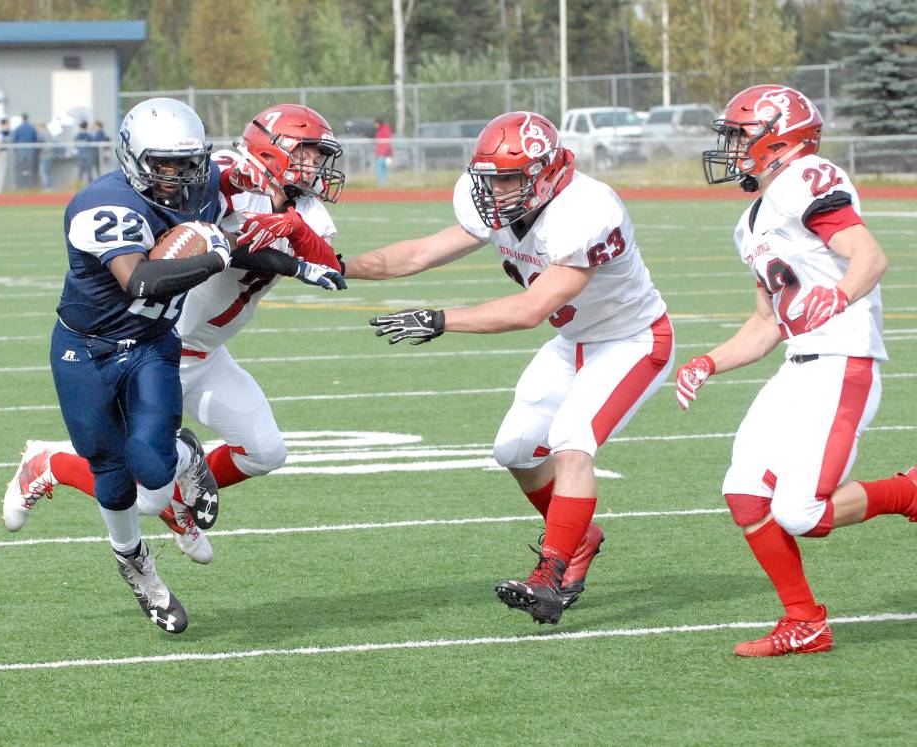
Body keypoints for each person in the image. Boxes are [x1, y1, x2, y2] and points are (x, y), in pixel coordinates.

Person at [357, 111, 673, 625]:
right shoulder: (501, 200)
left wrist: (441, 319)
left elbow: (530, 310)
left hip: (631, 340)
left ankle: (550, 576)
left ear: (546, 172)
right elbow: (419, 253)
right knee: (516, 451)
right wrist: (330, 263)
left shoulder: (585, 209)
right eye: (492, 178)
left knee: (572, 442)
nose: (496, 191)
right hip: (573, 339)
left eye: (509, 178)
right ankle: (579, 538)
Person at [2, 102, 347, 570]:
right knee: (140, 491)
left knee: (266, 452)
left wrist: (293, 240)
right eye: (306, 153)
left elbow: (327, 261)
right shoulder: (222, 178)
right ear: (273, 151)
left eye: (317, 155)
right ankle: (50, 464)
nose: (315, 165)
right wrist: (261, 246)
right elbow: (216, 239)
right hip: (160, 343)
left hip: (208, 350)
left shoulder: (307, 209)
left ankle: (178, 496)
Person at [677, 84, 917, 656]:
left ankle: (910, 493)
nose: (732, 149)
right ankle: (804, 621)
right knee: (743, 493)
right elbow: (766, 324)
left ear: (779, 138)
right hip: (798, 365)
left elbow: (869, 256)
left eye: (741, 137)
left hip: (842, 360)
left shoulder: (808, 177)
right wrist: (710, 361)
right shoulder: (751, 219)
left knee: (800, 511)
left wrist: (836, 298)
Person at [10, 113, 38, 189]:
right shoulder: (32, 128)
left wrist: (16, 150)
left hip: (20, 151)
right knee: (30, 169)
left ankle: (19, 186)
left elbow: (14, 140)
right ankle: (30, 186)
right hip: (30, 150)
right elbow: (35, 139)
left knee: (19, 169)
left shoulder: (18, 128)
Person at [75, 120, 97, 185]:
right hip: (86, 156)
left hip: (83, 156)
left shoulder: (80, 136)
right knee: (87, 172)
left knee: (82, 172)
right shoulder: (88, 136)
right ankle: (89, 185)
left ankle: (79, 185)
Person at [0, 118, 11, 194]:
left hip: (4, 153)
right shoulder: (1, 132)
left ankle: (1, 188)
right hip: (2, 153)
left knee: (2, 171)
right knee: (1, 171)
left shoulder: (5, 132)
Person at [374, 118, 392, 186]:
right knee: (382, 168)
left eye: (376, 124)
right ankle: (382, 183)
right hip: (382, 154)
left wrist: (384, 152)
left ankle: (383, 183)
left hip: (385, 154)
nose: (375, 125)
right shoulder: (379, 131)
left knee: (383, 168)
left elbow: (386, 142)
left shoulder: (385, 130)